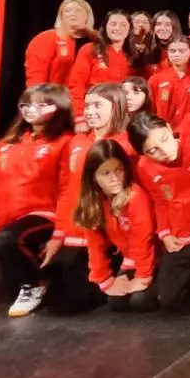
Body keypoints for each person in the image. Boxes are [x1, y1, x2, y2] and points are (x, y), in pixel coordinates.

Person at [0, 84, 74, 317]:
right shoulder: (5, 145)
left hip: (43, 214)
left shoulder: (66, 142)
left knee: (3, 242)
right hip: (6, 221)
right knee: (10, 282)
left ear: (59, 107)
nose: (29, 109)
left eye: (40, 104)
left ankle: (34, 285)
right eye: (25, 104)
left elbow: (69, 189)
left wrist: (59, 233)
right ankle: (43, 280)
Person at [55, 82, 136, 312]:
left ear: (116, 106)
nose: (89, 111)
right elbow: (66, 189)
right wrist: (60, 231)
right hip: (78, 233)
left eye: (97, 105)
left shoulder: (127, 144)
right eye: (87, 106)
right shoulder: (77, 142)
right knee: (64, 301)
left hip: (112, 237)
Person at [127, 113, 190, 310]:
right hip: (179, 235)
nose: (164, 151)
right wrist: (165, 234)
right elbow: (160, 202)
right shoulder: (145, 167)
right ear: (143, 153)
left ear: (170, 129)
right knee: (169, 300)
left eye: (164, 139)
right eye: (153, 150)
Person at [74, 139, 159, 312]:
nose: (114, 178)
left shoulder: (135, 196)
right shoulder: (94, 202)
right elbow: (95, 246)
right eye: (106, 173)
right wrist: (105, 280)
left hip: (155, 258)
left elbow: (144, 240)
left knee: (141, 301)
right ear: (93, 176)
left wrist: (143, 277)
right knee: (116, 302)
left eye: (119, 170)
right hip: (131, 260)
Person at [68, 9, 134, 126]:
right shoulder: (90, 49)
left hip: (122, 115)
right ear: (105, 27)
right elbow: (76, 85)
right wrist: (79, 116)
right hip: (94, 112)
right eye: (113, 24)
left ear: (130, 29)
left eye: (123, 25)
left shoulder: (133, 55)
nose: (117, 28)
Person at [25, 0, 95, 87]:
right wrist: (39, 94)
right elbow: (36, 75)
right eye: (67, 11)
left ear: (87, 16)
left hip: (89, 94)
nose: (72, 14)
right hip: (55, 94)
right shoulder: (45, 38)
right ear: (61, 17)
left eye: (78, 10)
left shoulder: (96, 41)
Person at [147, 35, 190, 128]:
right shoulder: (156, 79)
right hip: (164, 130)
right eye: (172, 51)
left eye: (182, 51)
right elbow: (151, 110)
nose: (176, 54)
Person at [140, 10, 182, 77]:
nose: (162, 28)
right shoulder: (147, 47)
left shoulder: (183, 48)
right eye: (158, 24)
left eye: (167, 24)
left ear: (174, 27)